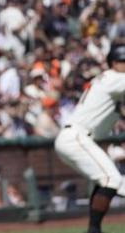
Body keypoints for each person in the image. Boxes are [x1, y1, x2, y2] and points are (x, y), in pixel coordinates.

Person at [54, 42, 125, 233]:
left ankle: (94, 229)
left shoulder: (114, 83)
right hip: (76, 137)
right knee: (112, 179)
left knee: (108, 181)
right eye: (121, 61)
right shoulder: (114, 78)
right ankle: (93, 230)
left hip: (77, 138)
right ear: (113, 63)